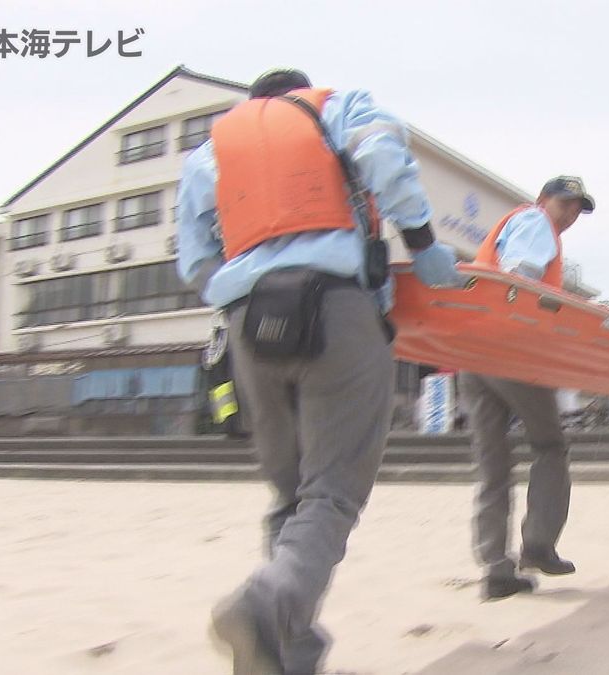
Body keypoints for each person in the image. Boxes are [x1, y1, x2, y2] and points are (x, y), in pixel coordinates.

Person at [177, 67, 462, 674]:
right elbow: (384, 158)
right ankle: (266, 605)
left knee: (291, 494)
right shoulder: (339, 106)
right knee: (331, 492)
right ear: (298, 93)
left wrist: (237, 295)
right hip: (336, 307)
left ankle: (286, 653)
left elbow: (194, 258)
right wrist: (422, 241)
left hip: (250, 325)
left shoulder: (210, 153)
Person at [457, 176, 595, 600]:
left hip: (472, 349)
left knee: (493, 465)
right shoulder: (536, 224)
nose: (570, 214)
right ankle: (538, 545)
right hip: (509, 350)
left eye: (577, 208)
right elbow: (520, 279)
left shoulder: (513, 224)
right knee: (549, 445)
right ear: (543, 200)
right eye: (565, 204)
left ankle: (495, 568)